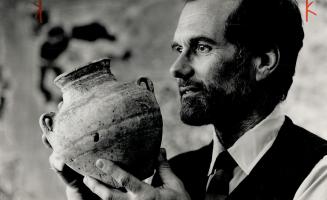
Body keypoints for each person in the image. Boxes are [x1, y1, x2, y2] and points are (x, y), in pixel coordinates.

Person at [43, 0, 327, 199]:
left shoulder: (318, 173)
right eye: (179, 48)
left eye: (202, 47)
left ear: (263, 61)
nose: (176, 68)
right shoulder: (174, 173)